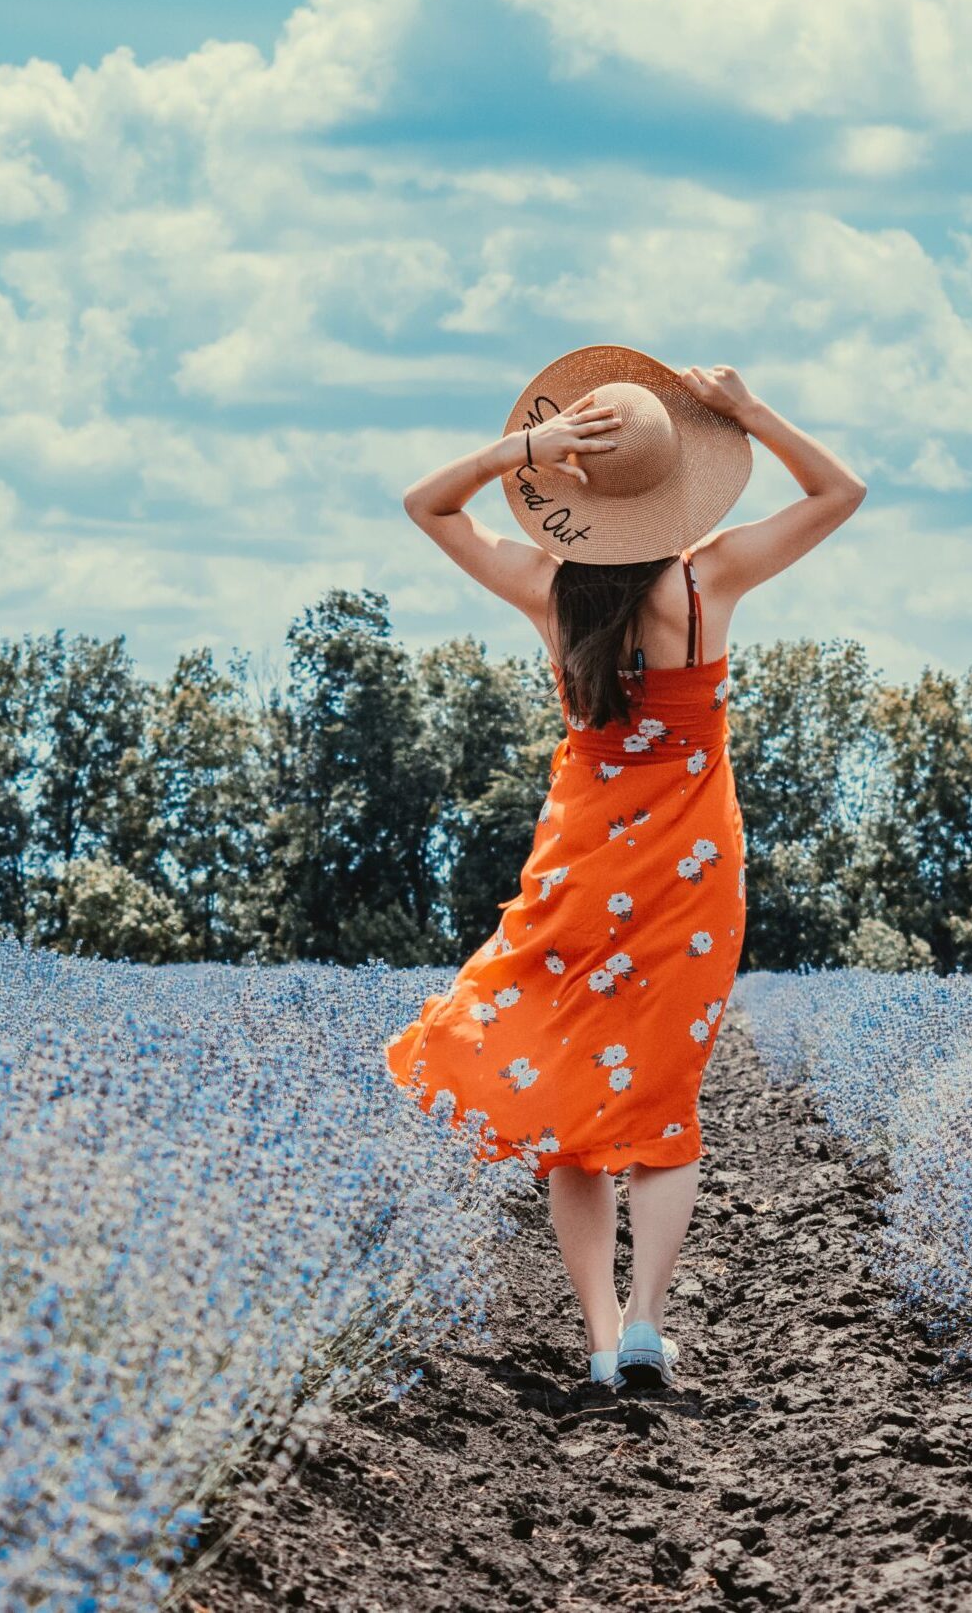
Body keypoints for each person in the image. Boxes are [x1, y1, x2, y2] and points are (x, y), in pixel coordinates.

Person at [385, 343, 865, 1392]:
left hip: (578, 867)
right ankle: (649, 1319)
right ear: (672, 490)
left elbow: (427, 507)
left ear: (572, 494)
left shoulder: (546, 590)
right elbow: (842, 491)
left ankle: (602, 1342)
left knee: (572, 1108)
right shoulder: (707, 582)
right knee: (662, 1098)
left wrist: (523, 447)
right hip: (693, 878)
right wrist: (752, 407)